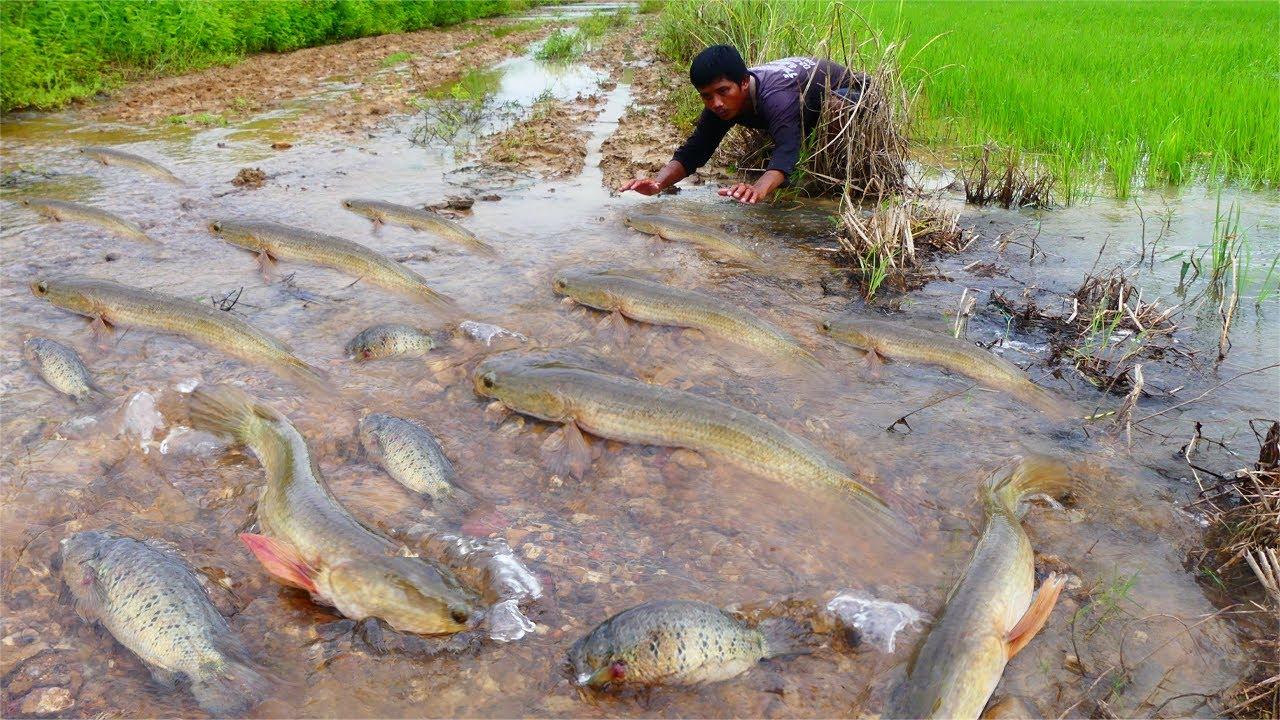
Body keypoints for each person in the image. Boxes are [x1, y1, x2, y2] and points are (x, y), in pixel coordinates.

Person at [619, 44, 864, 204]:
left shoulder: (775, 97)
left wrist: (758, 189)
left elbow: (787, 150)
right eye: (706, 96)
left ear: (744, 82)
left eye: (723, 91)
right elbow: (695, 150)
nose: (716, 103)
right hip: (804, 107)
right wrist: (658, 183)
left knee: (836, 106)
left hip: (857, 95)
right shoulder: (722, 104)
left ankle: (839, 183)